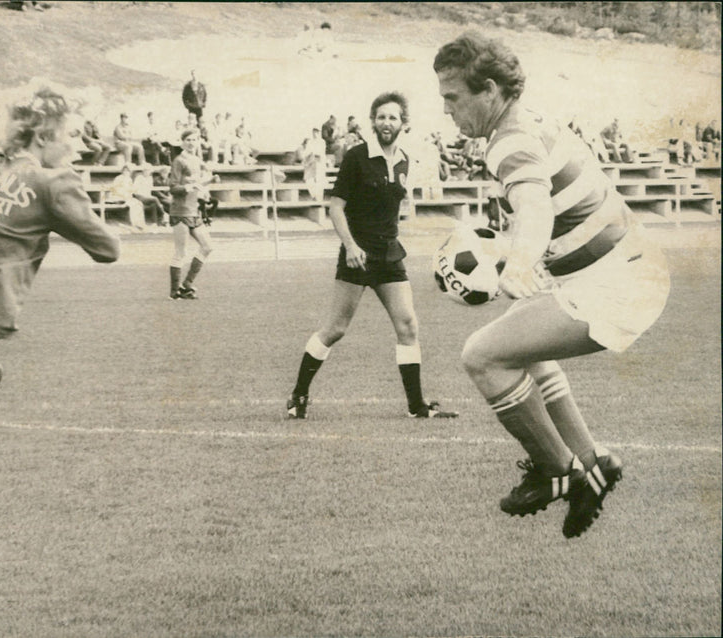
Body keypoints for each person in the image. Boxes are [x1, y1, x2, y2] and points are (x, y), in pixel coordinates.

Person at [433, 32, 670, 538]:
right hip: (626, 266)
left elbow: (535, 203)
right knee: (522, 345)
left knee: (482, 355)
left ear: (489, 89)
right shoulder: (529, 122)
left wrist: (519, 261)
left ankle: (560, 472)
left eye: (452, 98)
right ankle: (594, 461)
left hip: (617, 281)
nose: (447, 111)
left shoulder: (510, 141)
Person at [0, 83, 120, 624]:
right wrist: (61, 203)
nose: (82, 147)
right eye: (75, 135)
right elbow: (108, 248)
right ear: (47, 133)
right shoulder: (54, 181)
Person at [286, 92, 458, 421]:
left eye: (393, 117)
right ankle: (298, 396)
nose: (386, 123)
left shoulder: (406, 159)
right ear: (373, 122)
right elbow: (336, 207)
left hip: (389, 254)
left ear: (403, 123)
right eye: (381, 117)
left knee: (408, 325)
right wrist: (350, 246)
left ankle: (416, 406)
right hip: (358, 254)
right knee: (335, 329)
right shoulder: (356, 157)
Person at [167, 128, 218, 299]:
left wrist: (210, 180)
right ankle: (174, 292)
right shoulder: (178, 161)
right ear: (182, 142)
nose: (191, 142)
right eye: (188, 139)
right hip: (180, 210)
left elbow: (197, 183)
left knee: (208, 246)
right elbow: (173, 187)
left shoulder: (196, 160)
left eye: (194, 139)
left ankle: (186, 284)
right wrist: (190, 187)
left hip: (193, 210)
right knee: (181, 252)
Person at [108, 163, 147, 229]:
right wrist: (124, 194)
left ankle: (140, 223)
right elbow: (115, 189)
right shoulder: (118, 178)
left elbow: (131, 189)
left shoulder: (129, 179)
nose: (126, 172)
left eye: (128, 171)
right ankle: (134, 223)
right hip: (118, 197)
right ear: (122, 171)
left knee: (139, 204)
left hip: (127, 197)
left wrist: (132, 192)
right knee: (133, 204)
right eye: (125, 170)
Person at [302, 127, 327, 201]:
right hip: (311, 162)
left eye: (317, 132)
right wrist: (308, 159)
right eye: (314, 132)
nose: (315, 134)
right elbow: (306, 153)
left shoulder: (322, 142)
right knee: (308, 179)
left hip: (319, 162)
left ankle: (319, 198)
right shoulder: (310, 142)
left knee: (320, 180)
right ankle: (314, 195)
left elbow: (320, 153)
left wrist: (315, 155)